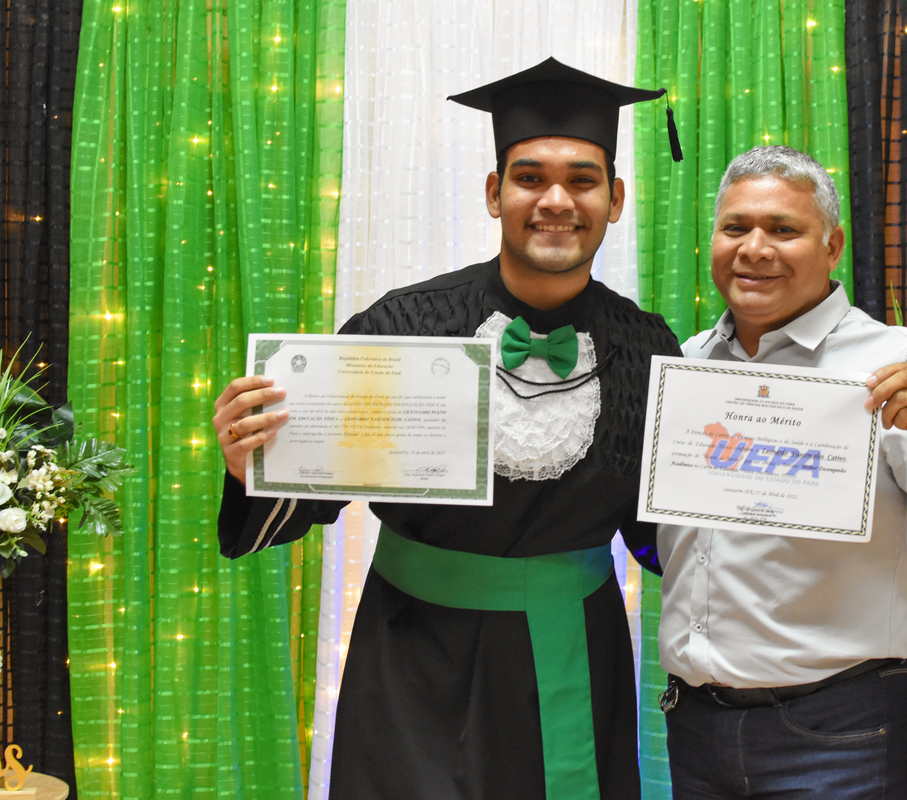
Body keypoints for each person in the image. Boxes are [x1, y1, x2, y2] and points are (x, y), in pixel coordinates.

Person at [211, 58, 682, 800]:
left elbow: (658, 537)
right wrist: (251, 467)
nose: (556, 200)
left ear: (614, 200)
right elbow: (309, 496)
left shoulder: (649, 349)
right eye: (530, 178)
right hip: (410, 661)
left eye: (583, 181)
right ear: (495, 193)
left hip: (570, 662)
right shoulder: (401, 327)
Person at [656, 146, 907, 799]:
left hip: (837, 733)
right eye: (735, 227)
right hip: (696, 727)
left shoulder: (895, 365)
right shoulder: (689, 365)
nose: (754, 248)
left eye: (783, 229)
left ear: (831, 247)